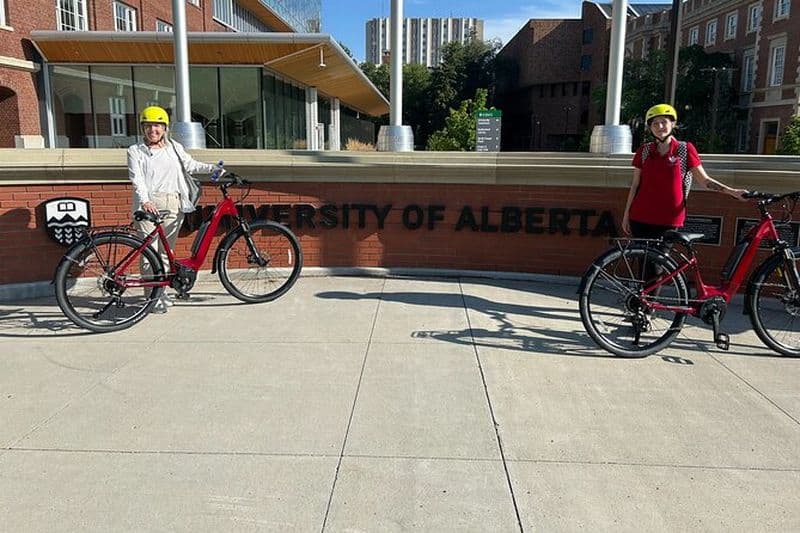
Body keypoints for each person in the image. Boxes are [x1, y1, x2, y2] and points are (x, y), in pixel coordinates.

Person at [127, 105, 222, 313]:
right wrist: (145, 200)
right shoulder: (135, 151)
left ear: (165, 128)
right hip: (148, 205)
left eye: (157, 126)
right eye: (149, 126)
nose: (153, 130)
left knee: (165, 252)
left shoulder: (175, 148)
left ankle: (161, 293)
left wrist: (212, 168)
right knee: (148, 253)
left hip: (172, 203)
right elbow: (137, 179)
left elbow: (191, 165)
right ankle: (151, 298)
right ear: (143, 128)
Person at [622, 103, 747, 239]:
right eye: (655, 124)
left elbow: (705, 181)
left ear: (673, 124)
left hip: (669, 218)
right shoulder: (644, 151)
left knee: (661, 258)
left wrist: (732, 192)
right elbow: (635, 185)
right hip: (640, 216)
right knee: (642, 259)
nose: (659, 127)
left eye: (664, 122)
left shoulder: (684, 149)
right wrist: (626, 214)